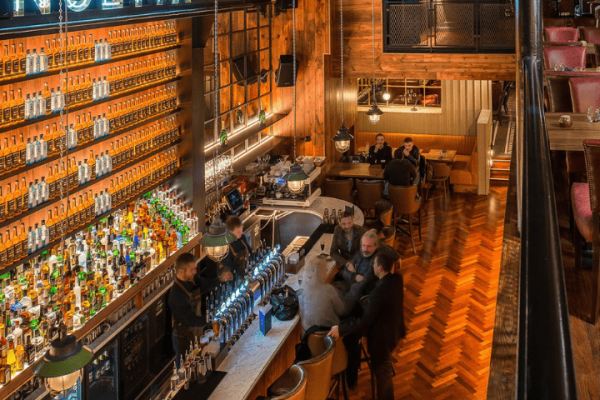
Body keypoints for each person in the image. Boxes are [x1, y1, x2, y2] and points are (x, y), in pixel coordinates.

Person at [328, 253, 405, 400]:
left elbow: (364, 322)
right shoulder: (396, 279)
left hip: (381, 339)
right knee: (384, 372)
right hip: (393, 332)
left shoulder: (379, 293)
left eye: (374, 264)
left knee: (383, 376)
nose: (372, 266)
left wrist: (341, 329)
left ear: (380, 268)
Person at [168, 253, 233, 367]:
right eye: (191, 269)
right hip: (184, 336)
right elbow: (192, 320)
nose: (195, 271)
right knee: (185, 365)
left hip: (196, 330)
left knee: (198, 358)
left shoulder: (191, 279)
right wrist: (212, 320)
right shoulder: (177, 295)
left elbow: (206, 284)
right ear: (181, 272)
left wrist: (221, 280)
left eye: (195, 268)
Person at [297, 256, 346, 332]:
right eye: (325, 269)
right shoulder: (329, 289)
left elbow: (302, 312)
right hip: (328, 332)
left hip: (308, 332)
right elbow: (341, 311)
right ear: (322, 272)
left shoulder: (303, 291)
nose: (327, 270)